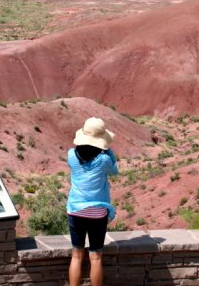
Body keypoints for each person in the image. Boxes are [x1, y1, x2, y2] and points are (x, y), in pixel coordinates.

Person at [66, 117, 118, 286]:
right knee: (95, 257)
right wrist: (108, 150)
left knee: (76, 255)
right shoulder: (103, 160)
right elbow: (114, 171)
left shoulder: (71, 155)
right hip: (97, 212)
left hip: (75, 210)